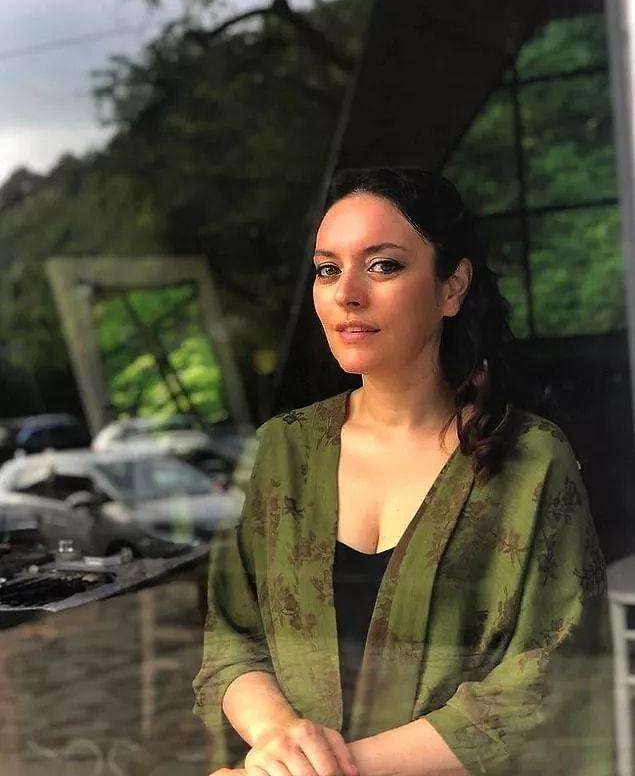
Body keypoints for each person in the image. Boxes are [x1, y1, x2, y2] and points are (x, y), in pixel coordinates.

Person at [193, 167, 614, 776]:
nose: (347, 294)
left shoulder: (528, 460)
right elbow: (231, 637)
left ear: (452, 288)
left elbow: (546, 678)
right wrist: (282, 739)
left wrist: (333, 769)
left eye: (383, 265)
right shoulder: (281, 451)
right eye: (327, 269)